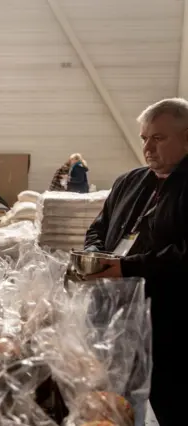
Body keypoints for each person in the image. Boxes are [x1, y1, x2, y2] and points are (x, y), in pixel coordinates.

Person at [83, 98, 188, 425]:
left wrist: (128, 268)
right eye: (144, 138)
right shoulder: (130, 181)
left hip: (170, 320)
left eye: (158, 138)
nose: (148, 147)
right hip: (117, 312)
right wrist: (93, 253)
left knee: (171, 399)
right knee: (119, 400)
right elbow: (99, 227)